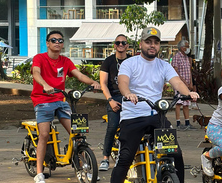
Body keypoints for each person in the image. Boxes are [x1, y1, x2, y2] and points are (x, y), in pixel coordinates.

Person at [111, 27, 200, 183]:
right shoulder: (129, 63)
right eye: (148, 42)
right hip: (133, 118)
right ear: (140, 44)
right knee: (125, 158)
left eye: (156, 43)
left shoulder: (164, 65)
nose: (152, 45)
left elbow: (177, 82)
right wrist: (128, 94)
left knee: (176, 154)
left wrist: (189, 93)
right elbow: (123, 82)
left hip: (156, 117)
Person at [30, 31, 101, 183]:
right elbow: (36, 73)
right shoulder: (39, 58)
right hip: (42, 100)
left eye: (60, 40)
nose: (57, 42)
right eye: (53, 40)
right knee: (44, 134)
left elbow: (79, 75)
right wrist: (45, 85)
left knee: (78, 134)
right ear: (48, 43)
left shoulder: (65, 61)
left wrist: (93, 83)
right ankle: (39, 173)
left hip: (60, 100)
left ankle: (86, 168)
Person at [99, 34, 130, 171]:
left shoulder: (133, 61)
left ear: (127, 45)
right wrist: (110, 100)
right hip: (115, 97)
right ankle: (105, 158)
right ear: (114, 45)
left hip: (130, 97)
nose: (121, 45)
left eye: (123, 42)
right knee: (112, 127)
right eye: (118, 43)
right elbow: (103, 84)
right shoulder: (108, 61)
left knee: (133, 127)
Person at [172, 39, 196, 130]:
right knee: (179, 103)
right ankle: (178, 122)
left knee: (186, 103)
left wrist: (190, 83)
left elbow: (189, 71)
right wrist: (184, 83)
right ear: (182, 48)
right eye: (187, 46)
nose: (188, 48)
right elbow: (175, 72)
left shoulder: (186, 57)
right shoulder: (176, 57)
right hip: (179, 84)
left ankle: (187, 122)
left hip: (187, 84)